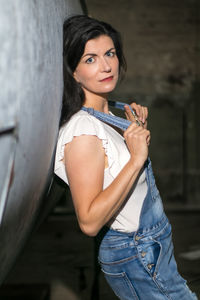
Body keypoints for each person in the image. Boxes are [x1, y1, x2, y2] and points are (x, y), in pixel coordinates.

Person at [54, 15, 197, 300]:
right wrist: (135, 159)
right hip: (136, 256)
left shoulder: (109, 114)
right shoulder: (84, 132)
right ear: (72, 71)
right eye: (90, 59)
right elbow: (90, 222)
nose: (106, 66)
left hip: (153, 249)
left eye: (110, 54)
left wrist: (134, 134)